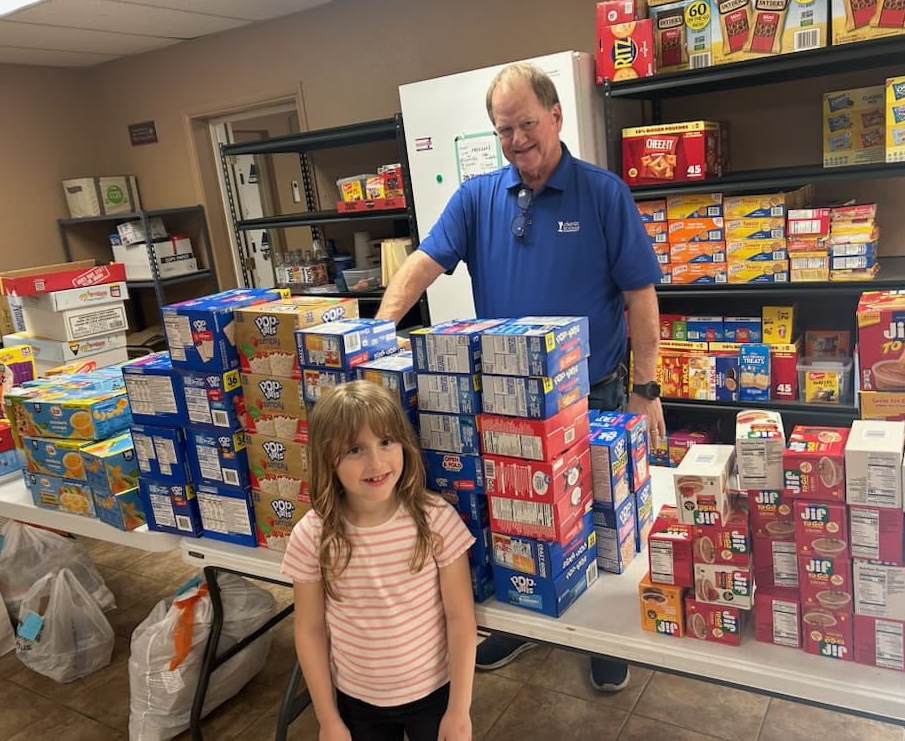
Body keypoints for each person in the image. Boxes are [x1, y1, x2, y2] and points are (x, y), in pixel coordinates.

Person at [377, 62, 665, 693]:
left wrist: (648, 389)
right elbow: (422, 265)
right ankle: (525, 618)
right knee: (519, 520)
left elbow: (640, 295)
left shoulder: (603, 193)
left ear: (556, 117)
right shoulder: (478, 197)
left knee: (600, 520)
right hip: (507, 401)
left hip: (594, 393)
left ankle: (603, 638)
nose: (516, 140)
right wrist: (374, 336)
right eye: (503, 129)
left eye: (526, 124)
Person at [281, 381, 477, 741]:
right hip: (357, 702)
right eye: (355, 449)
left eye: (386, 442)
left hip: (434, 695)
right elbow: (309, 630)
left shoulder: (436, 519)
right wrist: (328, 719)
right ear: (328, 459)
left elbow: (461, 617)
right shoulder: (312, 536)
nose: (376, 462)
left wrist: (460, 711)